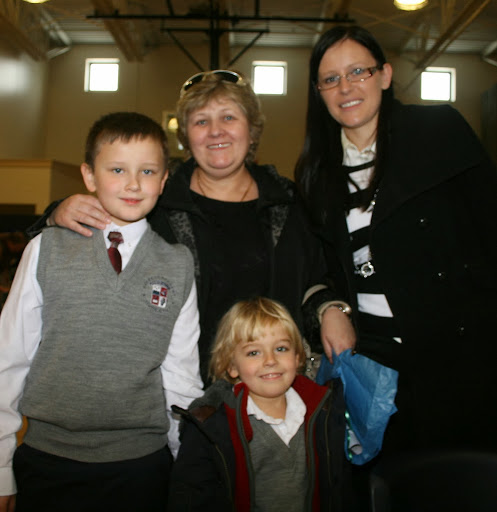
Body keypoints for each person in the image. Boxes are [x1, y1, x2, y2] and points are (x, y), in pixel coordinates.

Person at [30, 70, 337, 384]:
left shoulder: (288, 202)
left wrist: (331, 309)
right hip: (181, 390)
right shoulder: (156, 202)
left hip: (274, 385)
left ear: (252, 129)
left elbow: (318, 275)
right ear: (186, 136)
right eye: (201, 121)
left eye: (229, 117)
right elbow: (95, 230)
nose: (216, 132)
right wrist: (57, 214)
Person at [295, 25, 497, 456]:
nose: (345, 87)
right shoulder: (317, 172)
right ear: (318, 91)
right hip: (378, 369)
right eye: (331, 79)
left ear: (385, 75)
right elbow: (321, 266)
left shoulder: (438, 131)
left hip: (460, 358)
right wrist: (329, 306)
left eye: (358, 72)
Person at [0, 112, 203, 512]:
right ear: (89, 177)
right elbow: (9, 360)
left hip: (141, 467)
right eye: (117, 169)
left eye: (147, 171)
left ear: (163, 181)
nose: (133, 183)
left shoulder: (177, 264)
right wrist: (0, 464)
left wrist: (188, 467)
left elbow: (181, 376)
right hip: (47, 462)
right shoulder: (47, 250)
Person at [168, 297, 353, 512]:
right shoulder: (210, 428)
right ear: (232, 366)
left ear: (297, 356)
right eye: (254, 352)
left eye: (281, 349)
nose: (270, 360)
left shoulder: (324, 410)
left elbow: (340, 490)